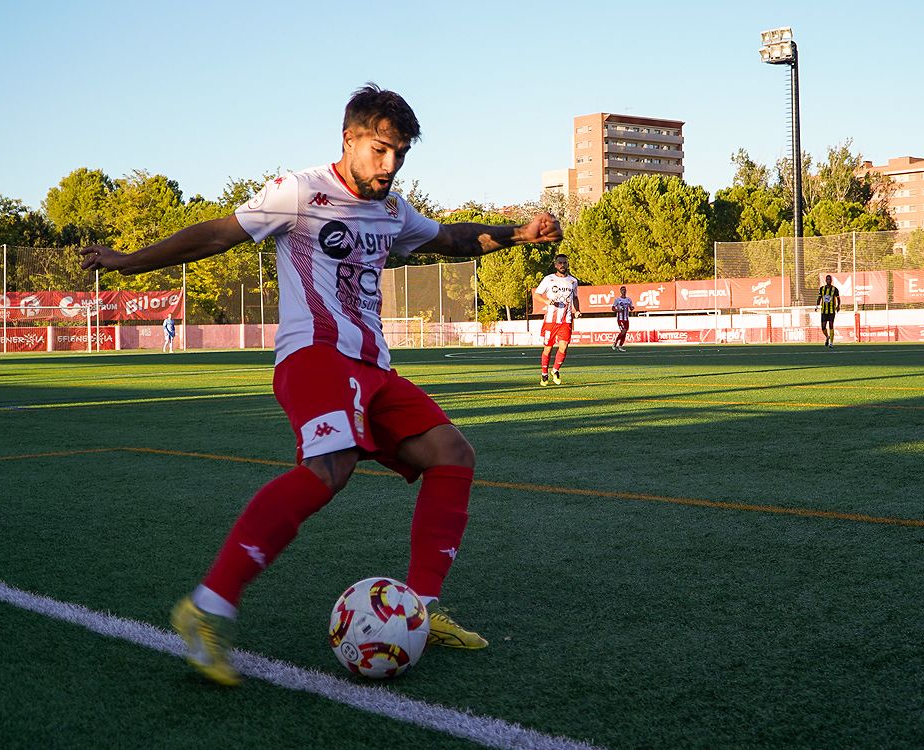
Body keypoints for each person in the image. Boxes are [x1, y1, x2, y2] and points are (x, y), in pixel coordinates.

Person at [79, 84, 562, 686]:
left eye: (401, 154)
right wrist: (127, 261)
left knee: (452, 455)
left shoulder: (391, 210)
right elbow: (214, 233)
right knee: (330, 466)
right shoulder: (300, 192)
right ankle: (207, 607)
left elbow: (449, 238)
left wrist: (517, 232)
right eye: (381, 149)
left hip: (374, 367)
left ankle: (419, 610)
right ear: (350, 139)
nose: (390, 165)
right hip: (313, 356)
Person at [534, 254, 580, 385]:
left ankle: (555, 370)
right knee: (547, 348)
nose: (562, 265)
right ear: (555, 265)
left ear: (567, 264)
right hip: (550, 320)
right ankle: (544, 374)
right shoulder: (549, 279)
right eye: (560, 263)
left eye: (565, 263)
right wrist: (546, 301)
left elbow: (575, 298)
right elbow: (537, 294)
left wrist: (576, 310)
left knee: (564, 347)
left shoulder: (573, 281)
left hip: (566, 320)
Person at [815, 274, 842, 348]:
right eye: (827, 279)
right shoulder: (822, 289)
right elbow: (819, 298)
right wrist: (817, 306)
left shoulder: (835, 289)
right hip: (824, 311)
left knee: (831, 325)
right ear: (825, 280)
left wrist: (838, 306)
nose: (828, 281)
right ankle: (827, 336)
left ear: (831, 280)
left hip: (831, 311)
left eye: (829, 279)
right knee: (823, 327)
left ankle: (831, 343)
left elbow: (838, 299)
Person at [610, 286, 634, 351]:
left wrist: (631, 308)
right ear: (620, 291)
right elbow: (612, 308)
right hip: (620, 319)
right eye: (622, 290)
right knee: (623, 331)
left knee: (625, 332)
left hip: (626, 318)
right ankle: (615, 343)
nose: (624, 291)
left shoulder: (628, 299)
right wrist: (618, 310)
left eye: (625, 290)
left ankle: (620, 346)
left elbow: (631, 308)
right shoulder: (617, 299)